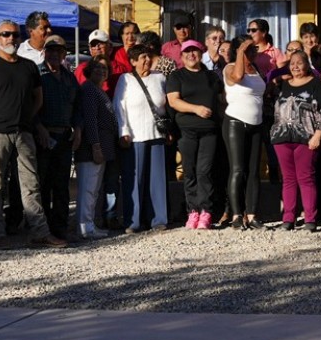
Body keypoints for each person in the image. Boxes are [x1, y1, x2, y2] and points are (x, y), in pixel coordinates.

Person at [0, 20, 66, 250]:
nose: (11, 38)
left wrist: (26, 119)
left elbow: (37, 98)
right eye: (6, 34)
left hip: (23, 132)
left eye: (15, 35)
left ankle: (40, 232)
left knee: (31, 184)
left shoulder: (29, 66)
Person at [270, 50, 321, 232]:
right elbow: (271, 79)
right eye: (292, 63)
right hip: (282, 137)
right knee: (288, 179)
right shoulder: (283, 85)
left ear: (307, 65)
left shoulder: (318, 85)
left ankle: (310, 218)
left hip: (307, 138)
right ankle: (288, 218)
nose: (296, 66)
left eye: (300, 62)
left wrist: (318, 135)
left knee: (306, 178)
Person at [166, 38, 223, 229]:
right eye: (187, 52)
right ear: (181, 56)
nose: (191, 55)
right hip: (187, 131)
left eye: (195, 51)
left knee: (204, 171)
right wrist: (196, 109)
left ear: (201, 53)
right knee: (189, 171)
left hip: (209, 131)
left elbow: (222, 99)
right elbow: (174, 101)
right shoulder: (177, 76)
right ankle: (192, 211)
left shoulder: (212, 76)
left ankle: (206, 211)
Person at [114, 44, 169, 232]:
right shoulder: (125, 79)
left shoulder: (160, 78)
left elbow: (166, 105)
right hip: (135, 135)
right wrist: (123, 131)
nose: (147, 60)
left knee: (157, 180)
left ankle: (158, 219)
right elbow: (119, 106)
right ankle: (133, 220)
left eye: (148, 56)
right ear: (133, 61)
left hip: (157, 134)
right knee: (134, 179)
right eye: (142, 57)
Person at [35, 35, 79, 241]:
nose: (54, 54)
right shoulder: (36, 74)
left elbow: (77, 106)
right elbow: (28, 106)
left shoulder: (69, 77)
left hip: (64, 136)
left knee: (61, 185)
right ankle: (43, 228)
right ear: (45, 52)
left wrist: (77, 130)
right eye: (50, 50)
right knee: (42, 184)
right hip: (42, 136)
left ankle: (60, 226)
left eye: (58, 51)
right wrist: (39, 128)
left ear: (64, 54)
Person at [222, 35, 266, 230]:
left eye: (253, 49)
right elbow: (238, 77)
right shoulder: (230, 67)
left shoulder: (256, 70)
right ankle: (237, 214)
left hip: (256, 123)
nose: (252, 52)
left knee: (253, 170)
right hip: (235, 122)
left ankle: (252, 213)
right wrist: (240, 52)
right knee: (238, 169)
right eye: (249, 49)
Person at [75, 56, 118, 239]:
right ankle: (85, 227)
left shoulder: (97, 90)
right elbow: (90, 120)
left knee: (93, 189)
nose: (101, 71)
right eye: (97, 68)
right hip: (91, 148)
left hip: (100, 146)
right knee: (88, 189)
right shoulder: (90, 90)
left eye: (104, 68)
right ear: (89, 71)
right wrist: (96, 146)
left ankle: (89, 224)